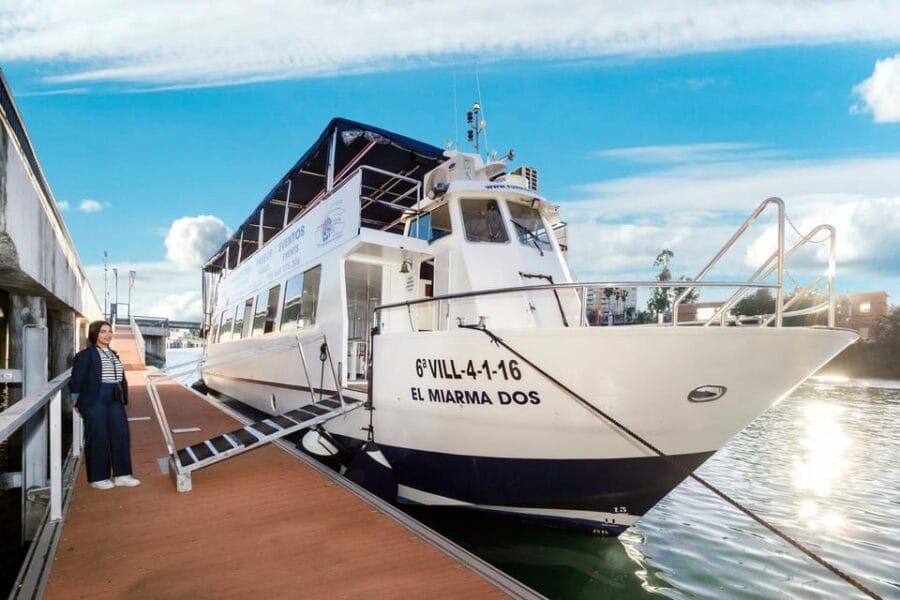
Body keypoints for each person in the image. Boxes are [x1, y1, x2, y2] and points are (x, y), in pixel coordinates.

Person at [70, 321, 141, 490]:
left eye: (109, 331)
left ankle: (122, 475)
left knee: (121, 433)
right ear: (94, 334)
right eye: (103, 332)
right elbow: (77, 378)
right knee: (98, 436)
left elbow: (120, 377)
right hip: (95, 398)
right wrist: (76, 399)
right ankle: (98, 477)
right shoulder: (85, 355)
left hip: (114, 398)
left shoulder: (113, 354)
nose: (107, 335)